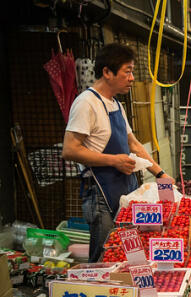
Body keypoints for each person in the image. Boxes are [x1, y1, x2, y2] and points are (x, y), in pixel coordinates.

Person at [62, 43, 172, 263]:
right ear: (107, 72)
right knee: (105, 257)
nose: (132, 78)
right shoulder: (86, 103)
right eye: (128, 71)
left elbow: (134, 144)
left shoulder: (115, 105)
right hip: (100, 195)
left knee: (130, 254)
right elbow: (69, 149)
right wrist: (113, 161)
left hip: (125, 190)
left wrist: (160, 174)